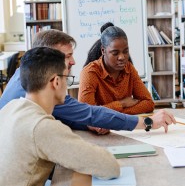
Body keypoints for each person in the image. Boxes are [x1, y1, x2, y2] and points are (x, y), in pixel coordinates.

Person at [0, 47, 121, 186]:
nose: (67, 83)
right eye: (67, 78)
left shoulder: (10, 108)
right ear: (56, 82)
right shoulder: (42, 126)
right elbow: (110, 167)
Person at [0, 29, 175, 134]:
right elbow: (90, 112)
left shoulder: (23, 74)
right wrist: (147, 122)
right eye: (68, 56)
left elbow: (69, 115)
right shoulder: (42, 86)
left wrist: (89, 125)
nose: (73, 61)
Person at [78, 26, 154, 115]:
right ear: (103, 51)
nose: (122, 57)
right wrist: (122, 104)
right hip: (100, 127)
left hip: (124, 126)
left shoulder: (129, 68)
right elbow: (87, 113)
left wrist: (119, 115)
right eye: (115, 53)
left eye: (125, 51)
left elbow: (149, 103)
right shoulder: (90, 73)